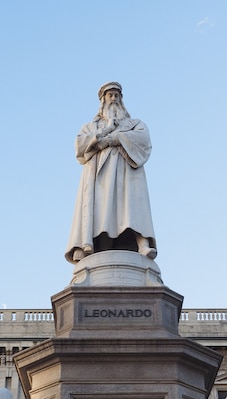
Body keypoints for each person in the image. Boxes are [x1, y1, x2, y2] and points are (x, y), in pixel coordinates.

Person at [65, 82, 157, 264]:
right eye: (110, 95)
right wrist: (105, 131)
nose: (113, 99)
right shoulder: (90, 127)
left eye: (116, 95)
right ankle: (93, 246)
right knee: (101, 208)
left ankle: (142, 241)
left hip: (127, 172)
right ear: (103, 100)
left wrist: (116, 138)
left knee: (130, 206)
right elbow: (80, 147)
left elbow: (144, 140)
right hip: (99, 175)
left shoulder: (134, 123)